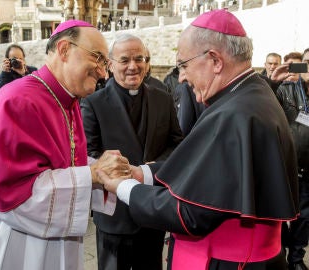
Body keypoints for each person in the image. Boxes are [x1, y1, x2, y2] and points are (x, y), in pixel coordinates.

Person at [96, 9, 299, 270]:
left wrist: (122, 187)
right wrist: (143, 174)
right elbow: (203, 168)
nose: (181, 77)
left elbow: (189, 213)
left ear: (214, 60)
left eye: (183, 65)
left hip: (227, 261)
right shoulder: (250, 94)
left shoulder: (234, 113)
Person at [0, 20, 131, 270]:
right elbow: (15, 195)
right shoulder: (17, 102)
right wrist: (92, 174)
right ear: (65, 49)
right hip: (12, 247)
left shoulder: (66, 101)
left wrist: (99, 167)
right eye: (98, 59)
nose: (104, 73)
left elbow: (60, 163)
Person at [81, 33, 183, 270]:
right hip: (115, 214)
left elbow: (177, 145)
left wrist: (148, 170)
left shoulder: (163, 98)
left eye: (139, 59)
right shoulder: (94, 103)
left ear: (147, 62)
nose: (133, 66)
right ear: (110, 64)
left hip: (152, 211)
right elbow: (89, 153)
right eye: (124, 60)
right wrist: (120, 172)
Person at [276, 48, 309, 270]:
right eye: (307, 62)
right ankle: (278, 254)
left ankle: (296, 259)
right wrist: (272, 82)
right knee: (280, 214)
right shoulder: (285, 88)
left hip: (308, 170)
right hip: (287, 165)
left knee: (304, 219)